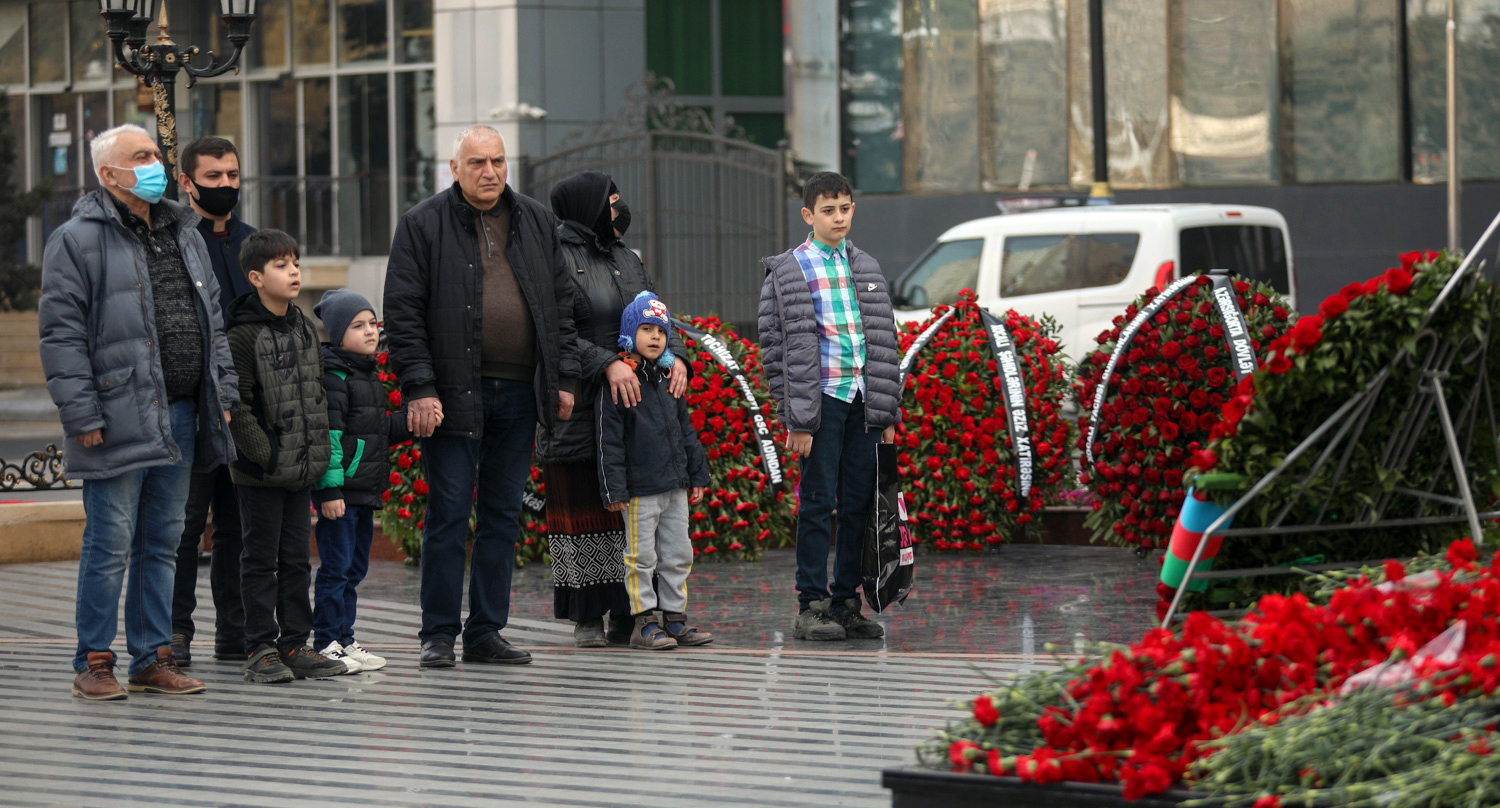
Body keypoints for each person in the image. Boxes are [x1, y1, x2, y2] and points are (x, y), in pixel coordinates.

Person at [39, 123, 235, 699]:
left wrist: (223, 393)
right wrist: (82, 415)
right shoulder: (76, 240)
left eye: (155, 153)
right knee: (109, 543)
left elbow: (212, 319)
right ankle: (94, 661)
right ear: (109, 174)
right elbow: (61, 334)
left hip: (182, 412)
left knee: (164, 541)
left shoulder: (184, 232)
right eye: (142, 156)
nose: (156, 164)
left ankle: (152, 657)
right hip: (116, 412)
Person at [383, 125, 580, 669]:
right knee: (448, 513)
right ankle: (438, 634)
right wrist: (419, 388)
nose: (489, 171)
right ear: (454, 169)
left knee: (502, 515)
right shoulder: (422, 224)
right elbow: (402, 312)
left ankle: (486, 631)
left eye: (497, 161)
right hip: (451, 394)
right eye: (477, 163)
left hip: (521, 391)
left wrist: (564, 379)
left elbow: (561, 305)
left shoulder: (536, 220)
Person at [537, 171, 688, 647]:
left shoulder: (627, 257)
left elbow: (657, 313)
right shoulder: (555, 256)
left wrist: (677, 356)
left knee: (631, 516)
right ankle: (587, 616)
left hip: (635, 409)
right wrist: (605, 363)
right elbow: (553, 331)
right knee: (584, 508)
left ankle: (632, 613)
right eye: (612, 200)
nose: (621, 209)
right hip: (580, 404)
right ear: (588, 206)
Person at [757, 171, 902, 642]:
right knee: (818, 505)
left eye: (844, 208)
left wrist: (886, 412)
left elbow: (884, 341)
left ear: (853, 209)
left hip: (863, 400)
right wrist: (795, 418)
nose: (838, 217)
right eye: (827, 210)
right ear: (808, 215)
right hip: (821, 403)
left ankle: (846, 604)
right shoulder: (787, 270)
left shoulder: (867, 266)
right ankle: (811, 605)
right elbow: (774, 350)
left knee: (858, 504)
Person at [225, 229, 346, 683]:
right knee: (260, 560)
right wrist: (268, 456)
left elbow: (316, 394)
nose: (294, 271)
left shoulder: (304, 326)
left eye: (295, 262)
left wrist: (312, 456)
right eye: (281, 265)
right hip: (262, 473)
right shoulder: (241, 335)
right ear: (256, 278)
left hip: (300, 469)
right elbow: (237, 406)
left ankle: (295, 643)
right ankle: (259, 647)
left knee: (296, 560)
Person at [169, 135, 257, 666]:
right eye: (214, 177)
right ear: (187, 182)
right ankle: (175, 633)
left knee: (237, 526)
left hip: (247, 409)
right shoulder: (174, 241)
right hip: (196, 407)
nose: (226, 185)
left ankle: (236, 631)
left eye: (233, 175)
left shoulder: (254, 243)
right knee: (183, 527)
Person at [597, 291, 712, 650]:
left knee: (679, 554)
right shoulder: (619, 383)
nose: (655, 337)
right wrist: (614, 490)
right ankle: (643, 623)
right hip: (639, 492)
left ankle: (675, 619)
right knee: (641, 558)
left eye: (661, 331)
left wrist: (698, 474)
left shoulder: (667, 378)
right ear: (630, 333)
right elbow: (608, 441)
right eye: (646, 329)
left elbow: (686, 431)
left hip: (675, 487)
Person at [310, 289, 417, 673]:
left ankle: (345, 637)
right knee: (336, 569)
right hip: (341, 494)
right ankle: (326, 642)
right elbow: (330, 436)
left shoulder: (365, 374)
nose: (371, 331)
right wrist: (329, 489)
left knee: (353, 571)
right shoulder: (335, 376)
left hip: (362, 492)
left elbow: (375, 431)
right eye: (358, 326)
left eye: (373, 323)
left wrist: (411, 423)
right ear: (339, 335)